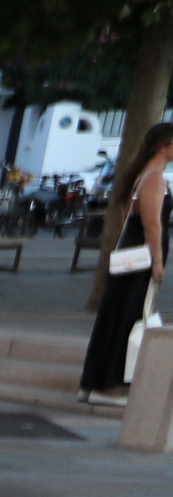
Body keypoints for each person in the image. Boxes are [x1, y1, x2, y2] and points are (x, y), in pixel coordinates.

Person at [82, 121, 173, 401]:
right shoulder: (154, 178)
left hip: (131, 252)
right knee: (128, 315)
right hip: (142, 256)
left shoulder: (142, 175)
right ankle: (108, 384)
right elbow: (152, 224)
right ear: (163, 145)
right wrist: (157, 260)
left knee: (119, 313)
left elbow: (128, 217)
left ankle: (101, 381)